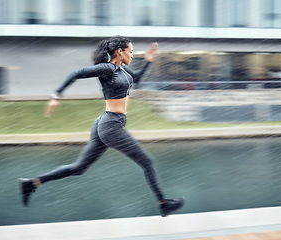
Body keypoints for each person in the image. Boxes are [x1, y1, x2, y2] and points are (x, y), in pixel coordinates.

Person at [19, 36, 184, 217]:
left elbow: (137, 79)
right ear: (120, 52)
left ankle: (32, 183)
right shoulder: (107, 68)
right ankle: (163, 204)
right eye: (131, 52)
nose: (133, 55)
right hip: (111, 125)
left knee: (79, 168)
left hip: (105, 123)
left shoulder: (123, 70)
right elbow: (75, 74)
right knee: (148, 163)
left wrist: (149, 60)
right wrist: (56, 96)